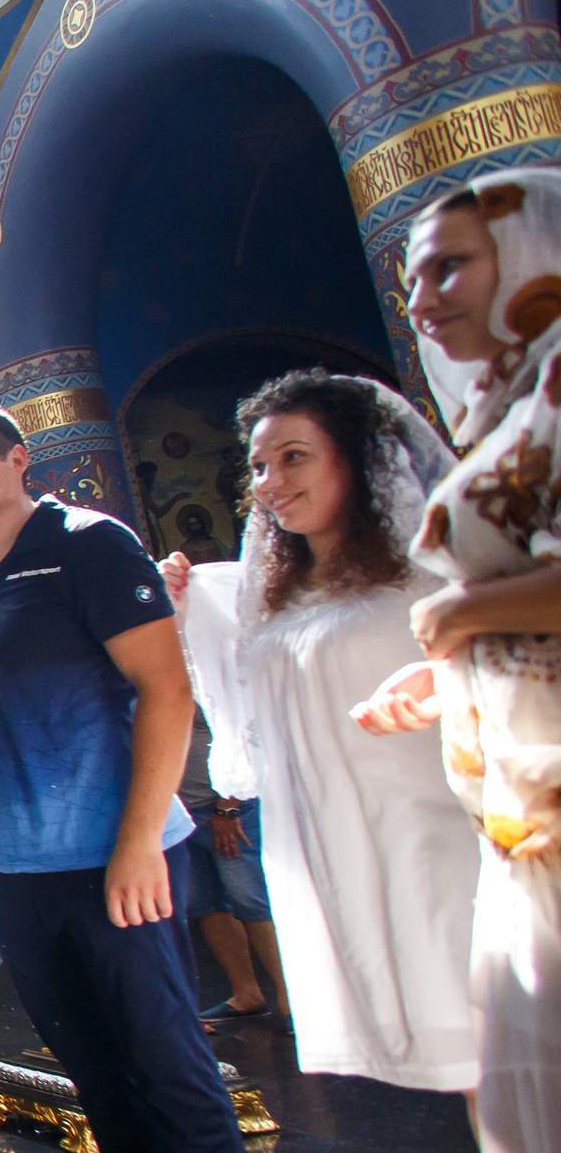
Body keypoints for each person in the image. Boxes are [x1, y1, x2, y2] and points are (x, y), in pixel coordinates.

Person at [0, 403, 288, 1153]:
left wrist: (136, 843)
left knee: (172, 1070)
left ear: (17, 460)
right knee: (96, 1070)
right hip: (20, 872)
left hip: (116, 862)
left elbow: (166, 689)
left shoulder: (88, 544)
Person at [353, 169, 561, 1153]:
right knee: (536, 1116)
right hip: (520, 812)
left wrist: (456, 620)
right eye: (413, 274)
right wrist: (445, 672)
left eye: (451, 265)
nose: (422, 295)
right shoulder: (503, 404)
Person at [163, 372, 473, 1088]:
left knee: (497, 1036)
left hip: (440, 828)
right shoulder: (273, 589)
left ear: (355, 458)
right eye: (259, 466)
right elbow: (232, 686)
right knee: (458, 1062)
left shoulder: (433, 564)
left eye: (294, 457)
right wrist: (182, 605)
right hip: (340, 840)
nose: (271, 482)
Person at [166, 566, 287, 1022]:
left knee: (253, 902)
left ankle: (290, 999)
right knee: (206, 905)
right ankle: (246, 992)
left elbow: (236, 731)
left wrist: (228, 806)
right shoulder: (149, 663)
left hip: (228, 807)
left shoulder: (206, 659)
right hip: (181, 812)